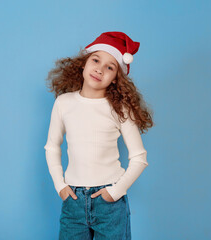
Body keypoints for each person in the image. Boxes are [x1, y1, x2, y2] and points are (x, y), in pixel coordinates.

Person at [44, 31, 154, 240]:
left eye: (110, 67)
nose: (99, 69)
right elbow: (52, 147)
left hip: (110, 203)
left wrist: (115, 191)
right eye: (96, 60)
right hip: (73, 200)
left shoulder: (120, 109)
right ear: (83, 63)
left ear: (115, 79)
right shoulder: (64, 103)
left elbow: (139, 158)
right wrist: (60, 185)